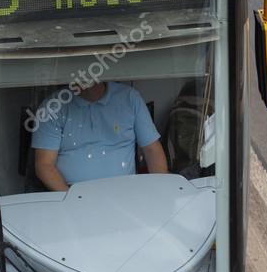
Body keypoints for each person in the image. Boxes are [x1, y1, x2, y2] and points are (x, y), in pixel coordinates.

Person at [31, 80, 168, 191]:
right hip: (71, 192)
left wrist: (160, 191)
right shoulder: (52, 107)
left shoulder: (130, 97)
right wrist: (71, 200)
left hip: (124, 191)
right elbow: (44, 165)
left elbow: (152, 150)